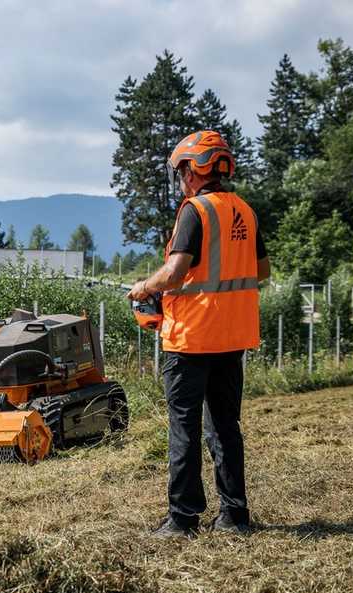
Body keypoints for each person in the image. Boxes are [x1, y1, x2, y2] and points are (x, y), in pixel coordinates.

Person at [127, 130, 270, 538]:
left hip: (191, 340)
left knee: (184, 428)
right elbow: (262, 271)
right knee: (226, 426)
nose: (181, 179)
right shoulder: (244, 210)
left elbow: (174, 273)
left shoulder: (195, 211)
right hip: (232, 338)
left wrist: (144, 288)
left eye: (181, 171)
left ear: (193, 170)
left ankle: (182, 519)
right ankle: (234, 515)